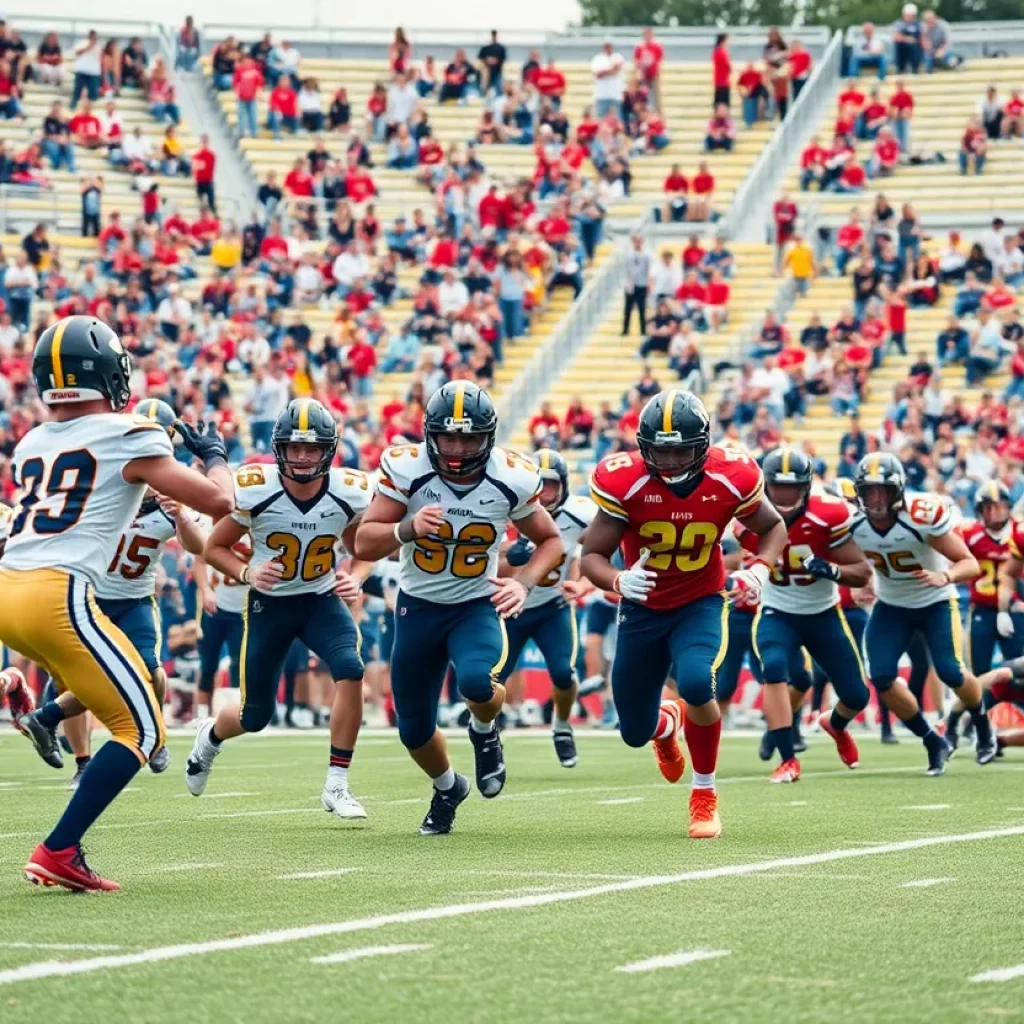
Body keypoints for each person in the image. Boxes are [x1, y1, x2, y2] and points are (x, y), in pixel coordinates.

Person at [1, 316, 233, 892]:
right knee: (144, 732)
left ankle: (36, 705)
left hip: (9, 591)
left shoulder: (32, 440)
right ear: (111, 372)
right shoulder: (126, 432)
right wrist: (215, 454)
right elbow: (220, 501)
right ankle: (59, 849)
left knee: (119, 706)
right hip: (58, 594)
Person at [353, 382, 563, 835]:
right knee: (412, 729)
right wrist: (407, 528)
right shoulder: (408, 470)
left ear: (488, 437)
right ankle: (447, 786)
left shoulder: (512, 477)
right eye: (449, 437)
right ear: (430, 434)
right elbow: (363, 539)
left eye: (469, 438)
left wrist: (524, 585)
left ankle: (485, 732)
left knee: (476, 683)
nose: (458, 448)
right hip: (417, 607)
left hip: (475, 604)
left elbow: (550, 540)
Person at [582, 391, 788, 839]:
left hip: (701, 599)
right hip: (642, 608)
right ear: (643, 446)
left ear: (703, 444)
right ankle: (666, 724)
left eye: (681, 449)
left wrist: (759, 569)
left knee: (696, 682)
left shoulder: (732, 475)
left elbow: (772, 527)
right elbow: (591, 556)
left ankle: (704, 793)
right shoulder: (626, 481)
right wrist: (617, 581)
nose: (671, 460)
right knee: (635, 732)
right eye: (661, 449)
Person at [188, 399, 372, 821]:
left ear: (329, 449)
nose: (303, 457)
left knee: (351, 668)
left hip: (320, 598)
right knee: (256, 715)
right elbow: (213, 548)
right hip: (269, 604)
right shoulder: (257, 489)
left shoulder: (349, 491)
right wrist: (248, 573)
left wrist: (356, 576)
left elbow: (367, 546)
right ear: (278, 449)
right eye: (294, 448)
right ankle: (209, 738)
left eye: (312, 448)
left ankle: (337, 784)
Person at [20, 399, 207, 786]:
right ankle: (83, 761)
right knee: (73, 681)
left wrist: (181, 515)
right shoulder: (102, 487)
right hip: (87, 595)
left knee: (150, 673)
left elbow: (197, 546)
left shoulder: (175, 496)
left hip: (135, 599)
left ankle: (146, 735)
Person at [850, 453, 996, 774]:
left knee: (950, 671)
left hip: (935, 602)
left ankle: (982, 724)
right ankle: (932, 740)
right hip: (891, 606)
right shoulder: (853, 522)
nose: (876, 499)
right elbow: (855, 562)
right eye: (869, 490)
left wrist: (944, 576)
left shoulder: (921, 515)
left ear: (899, 490)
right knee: (882, 676)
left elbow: (968, 562)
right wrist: (862, 583)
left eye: (883, 490)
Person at [737, 448, 872, 781]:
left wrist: (830, 569)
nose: (784, 496)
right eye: (777, 487)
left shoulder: (828, 514)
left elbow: (861, 572)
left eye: (792, 488)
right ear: (765, 486)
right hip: (776, 609)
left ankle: (835, 724)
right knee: (775, 667)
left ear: (807, 486)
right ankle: (787, 758)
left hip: (822, 612)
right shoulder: (746, 518)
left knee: (857, 695)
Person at [499, 451, 596, 767]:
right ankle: (485, 733)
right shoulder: (505, 511)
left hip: (552, 607)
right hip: (509, 608)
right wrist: (508, 558)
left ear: (565, 485)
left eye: (550, 485)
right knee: (489, 682)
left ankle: (562, 726)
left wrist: (580, 584)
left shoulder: (580, 514)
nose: (544, 493)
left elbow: (594, 554)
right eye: (538, 485)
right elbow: (482, 565)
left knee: (563, 674)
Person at [622, 232, 651, 336]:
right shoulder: (629, 253)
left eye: (640, 241)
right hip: (630, 284)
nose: (638, 243)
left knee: (642, 308)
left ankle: (643, 330)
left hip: (641, 283)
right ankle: (625, 330)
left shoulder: (646, 254)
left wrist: (648, 283)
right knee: (628, 308)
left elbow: (648, 269)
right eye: (636, 241)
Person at [591, 38, 625, 120]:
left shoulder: (618, 57)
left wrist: (606, 72)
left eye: (609, 46)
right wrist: (613, 69)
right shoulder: (597, 59)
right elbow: (598, 74)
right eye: (606, 46)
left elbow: (617, 69)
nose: (608, 48)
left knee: (616, 121)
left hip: (615, 95)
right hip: (601, 96)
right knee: (601, 121)